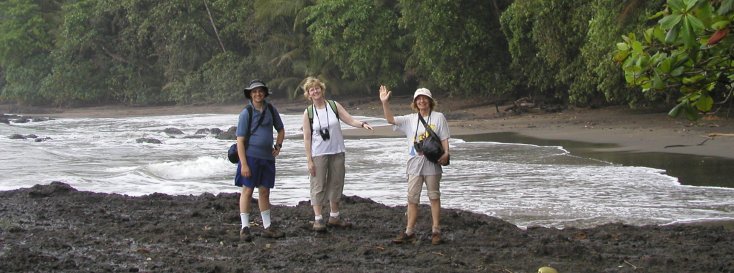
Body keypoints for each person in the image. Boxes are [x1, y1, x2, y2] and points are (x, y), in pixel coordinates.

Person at [379, 85, 450, 245]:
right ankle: (409, 231)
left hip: (433, 162)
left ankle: (436, 230)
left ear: (430, 101)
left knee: (434, 196)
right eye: (418, 99)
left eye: (425, 98)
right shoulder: (410, 119)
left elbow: (445, 138)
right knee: (412, 198)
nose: (422, 101)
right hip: (414, 163)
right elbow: (390, 119)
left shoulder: (439, 117)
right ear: (415, 102)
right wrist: (385, 102)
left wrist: (446, 153)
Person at [301, 76, 374, 232]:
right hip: (318, 153)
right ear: (308, 94)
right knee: (318, 184)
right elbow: (307, 138)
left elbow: (349, 119)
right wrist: (309, 160)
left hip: (337, 151)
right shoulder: (308, 113)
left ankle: (334, 217)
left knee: (336, 183)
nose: (315, 91)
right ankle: (318, 219)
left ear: (322, 89)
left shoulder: (333, 106)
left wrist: (362, 124)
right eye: (311, 89)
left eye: (317, 88)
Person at [235, 79, 286, 241]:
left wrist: (278, 147)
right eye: (254, 91)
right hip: (251, 158)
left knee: (264, 192)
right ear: (250, 94)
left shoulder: (271, 109)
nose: (258, 94)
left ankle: (267, 227)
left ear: (264, 93)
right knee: (248, 191)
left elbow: (281, 129)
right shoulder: (246, 113)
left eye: (260, 91)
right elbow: (240, 141)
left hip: (267, 158)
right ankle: (245, 228)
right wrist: (243, 163)